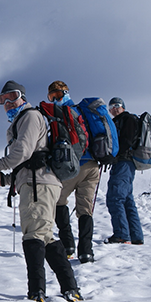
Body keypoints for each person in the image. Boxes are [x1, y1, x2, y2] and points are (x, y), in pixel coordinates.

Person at [0, 80, 83, 302]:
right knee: (44, 236)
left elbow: (23, 152)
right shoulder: (21, 121)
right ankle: (69, 288)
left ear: (23, 97)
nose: (7, 103)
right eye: (2, 100)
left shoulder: (30, 117)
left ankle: (37, 292)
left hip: (39, 184)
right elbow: (26, 162)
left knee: (34, 236)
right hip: (36, 182)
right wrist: (5, 179)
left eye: (12, 97)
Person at [47, 81, 99, 264]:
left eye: (57, 96)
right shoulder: (83, 111)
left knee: (58, 201)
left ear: (65, 93)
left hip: (74, 166)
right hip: (93, 166)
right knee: (85, 209)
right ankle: (86, 252)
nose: (54, 100)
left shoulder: (61, 114)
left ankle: (68, 245)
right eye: (51, 97)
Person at [105, 97, 144, 245]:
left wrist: (115, 155)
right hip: (126, 163)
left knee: (115, 198)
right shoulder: (119, 121)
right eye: (111, 107)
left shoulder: (128, 119)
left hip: (124, 162)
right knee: (127, 199)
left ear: (123, 107)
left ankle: (122, 235)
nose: (114, 109)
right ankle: (135, 236)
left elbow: (127, 140)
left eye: (117, 105)